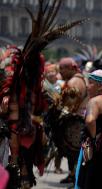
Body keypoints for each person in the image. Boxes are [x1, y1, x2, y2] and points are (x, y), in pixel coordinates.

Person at [0, 0, 84, 187]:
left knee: (24, 170)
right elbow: (11, 112)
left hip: (31, 132)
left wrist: (40, 119)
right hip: (17, 132)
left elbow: (46, 107)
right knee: (16, 167)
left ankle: (23, 175)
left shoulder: (37, 89)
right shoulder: (14, 87)